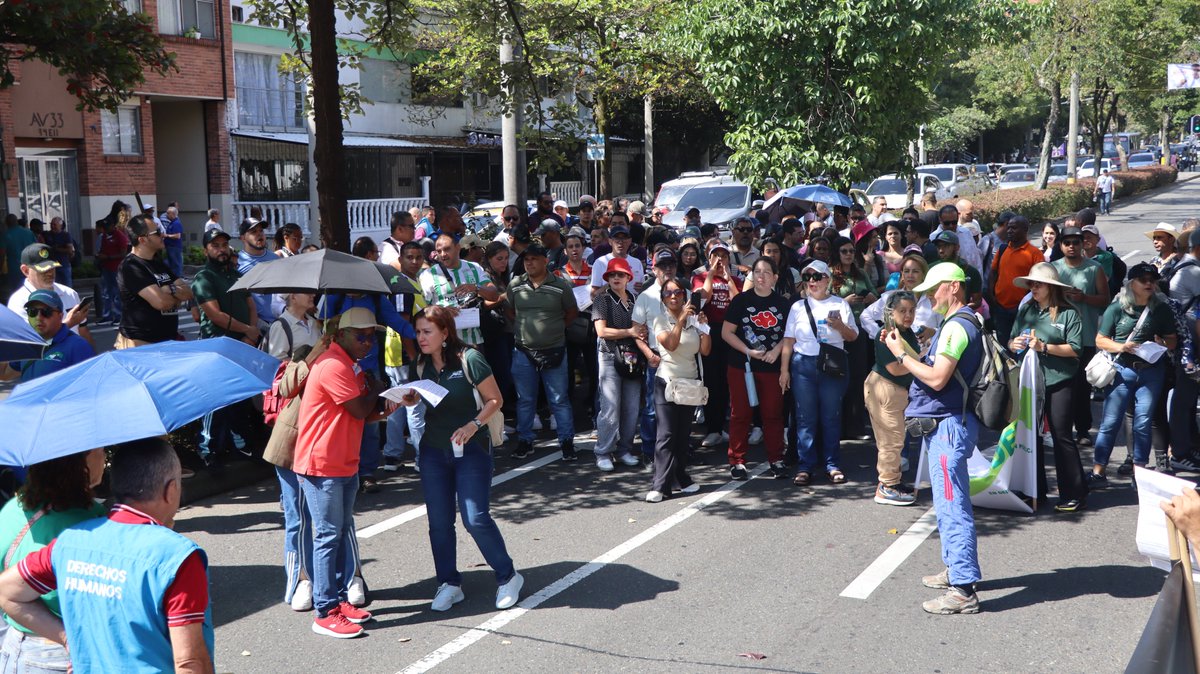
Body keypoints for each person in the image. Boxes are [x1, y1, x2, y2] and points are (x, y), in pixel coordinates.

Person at [0, 438, 214, 671]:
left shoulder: (59, 533)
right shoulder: (176, 557)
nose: (103, 457)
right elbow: (189, 661)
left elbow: (8, 590)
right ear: (171, 489)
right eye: (100, 450)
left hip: (18, 649)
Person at [400, 306, 524, 613]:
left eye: (427, 331)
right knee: (439, 523)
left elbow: (496, 399)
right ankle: (450, 583)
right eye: (418, 332)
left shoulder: (470, 358)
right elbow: (425, 396)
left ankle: (508, 576)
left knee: (475, 518)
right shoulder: (421, 363)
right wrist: (412, 397)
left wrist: (473, 425)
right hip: (433, 450)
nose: (421, 338)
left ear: (445, 333)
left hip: (472, 450)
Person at [884, 262, 984, 614]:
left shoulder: (957, 327)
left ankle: (962, 590)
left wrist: (900, 355)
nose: (928, 294)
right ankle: (956, 569)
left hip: (949, 424)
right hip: (954, 420)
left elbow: (938, 378)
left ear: (953, 287)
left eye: (934, 288)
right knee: (947, 502)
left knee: (952, 504)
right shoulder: (966, 320)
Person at [294, 308, 389, 638]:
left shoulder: (348, 364)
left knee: (338, 531)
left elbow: (360, 415)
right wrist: (377, 389)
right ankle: (325, 611)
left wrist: (390, 404)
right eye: (360, 336)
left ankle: (335, 599)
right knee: (327, 536)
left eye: (371, 337)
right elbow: (360, 407)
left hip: (342, 462)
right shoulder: (333, 364)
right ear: (340, 336)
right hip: (323, 465)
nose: (367, 343)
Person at [0, 448, 106, 671]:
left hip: (13, 648)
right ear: (80, 463)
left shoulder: (13, 509)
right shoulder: (94, 522)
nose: (104, 458)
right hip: (63, 653)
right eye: (101, 450)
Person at [1008, 263, 1088, 512]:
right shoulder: (1027, 309)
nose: (1033, 287)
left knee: (1061, 435)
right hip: (1031, 383)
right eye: (1031, 283)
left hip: (1059, 381)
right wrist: (1016, 343)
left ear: (1051, 287)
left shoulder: (1069, 314)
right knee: (1030, 436)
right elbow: (1010, 340)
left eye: (1038, 284)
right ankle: (1035, 491)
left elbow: (1075, 349)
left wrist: (1043, 347)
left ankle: (1074, 493)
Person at [1089, 263, 1177, 485]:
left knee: (1143, 421)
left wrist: (1161, 342)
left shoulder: (1162, 309)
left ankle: (1139, 471)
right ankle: (1098, 470)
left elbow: (1172, 341)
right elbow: (1100, 340)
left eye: (1152, 280)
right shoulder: (1117, 308)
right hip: (1122, 371)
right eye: (1144, 280)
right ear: (1131, 283)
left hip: (1151, 372)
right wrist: (1121, 347)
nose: (1149, 284)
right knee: (1110, 422)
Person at [780, 260, 857, 486]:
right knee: (805, 417)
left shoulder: (841, 304)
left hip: (832, 364)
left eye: (816, 277)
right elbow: (788, 340)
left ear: (827, 279)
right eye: (807, 277)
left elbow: (853, 336)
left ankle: (832, 464)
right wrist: (784, 370)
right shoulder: (797, 307)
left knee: (830, 416)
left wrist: (840, 327)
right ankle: (805, 465)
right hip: (803, 364)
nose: (812, 282)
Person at [505, 242, 579, 460]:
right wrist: (523, 327)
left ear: (544, 260)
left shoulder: (561, 285)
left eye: (534, 259)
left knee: (559, 399)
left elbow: (572, 312)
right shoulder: (516, 284)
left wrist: (554, 329)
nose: (529, 263)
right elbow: (509, 310)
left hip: (554, 349)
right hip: (523, 351)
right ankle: (525, 441)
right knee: (525, 399)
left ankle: (567, 442)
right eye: (526, 260)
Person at [722, 257, 790, 480]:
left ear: (775, 277)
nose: (761, 276)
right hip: (742, 367)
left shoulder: (783, 304)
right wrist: (748, 351)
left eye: (766, 272)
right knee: (740, 414)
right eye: (757, 272)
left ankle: (776, 459)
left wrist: (777, 351)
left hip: (772, 368)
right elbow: (727, 333)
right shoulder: (741, 300)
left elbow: (791, 336)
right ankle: (737, 461)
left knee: (773, 415)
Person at [647, 277, 710, 502]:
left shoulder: (693, 319)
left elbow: (705, 351)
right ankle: (659, 485)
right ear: (663, 299)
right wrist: (682, 320)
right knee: (666, 434)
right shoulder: (659, 319)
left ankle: (681, 477)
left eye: (678, 292)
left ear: (685, 295)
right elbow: (671, 345)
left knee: (683, 435)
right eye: (668, 293)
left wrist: (704, 328)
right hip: (667, 382)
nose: (674, 296)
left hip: (689, 384)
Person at [1051, 227, 1108, 449]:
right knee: (1060, 387)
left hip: (1085, 337)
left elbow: (1105, 299)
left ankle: (1083, 429)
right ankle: (1060, 430)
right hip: (1058, 338)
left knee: (1082, 388)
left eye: (1076, 242)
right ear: (1061, 245)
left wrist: (1084, 297)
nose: (1072, 246)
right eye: (1067, 242)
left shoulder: (1095, 269)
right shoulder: (1053, 269)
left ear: (1082, 244)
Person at [865, 291, 919, 506]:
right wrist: (920, 361)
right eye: (903, 311)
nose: (908, 315)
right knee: (890, 440)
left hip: (895, 390)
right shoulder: (888, 333)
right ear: (891, 312)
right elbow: (895, 369)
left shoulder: (907, 332)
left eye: (912, 310)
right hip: (885, 388)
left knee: (895, 439)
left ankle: (893, 482)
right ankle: (887, 486)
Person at [592, 258, 646, 471]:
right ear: (607, 277)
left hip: (632, 355)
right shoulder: (601, 300)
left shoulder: (635, 298)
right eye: (612, 275)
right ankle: (603, 451)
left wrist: (638, 334)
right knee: (610, 406)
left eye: (621, 274)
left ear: (628, 277)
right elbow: (601, 332)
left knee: (632, 408)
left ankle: (624, 449)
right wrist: (630, 332)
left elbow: (642, 328)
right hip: (608, 355)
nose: (616, 278)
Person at [383, 241, 429, 473]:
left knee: (398, 404)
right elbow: (403, 323)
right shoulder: (402, 286)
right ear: (400, 259)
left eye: (418, 257)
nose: (414, 261)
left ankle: (392, 455)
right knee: (414, 406)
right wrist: (414, 357)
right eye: (409, 257)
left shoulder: (410, 282)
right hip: (403, 354)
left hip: (396, 353)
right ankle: (423, 457)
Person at [631, 249, 680, 465]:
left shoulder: (682, 292)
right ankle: (649, 449)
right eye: (662, 266)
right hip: (657, 358)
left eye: (671, 265)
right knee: (652, 408)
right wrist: (649, 354)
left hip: (680, 358)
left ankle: (678, 447)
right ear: (654, 269)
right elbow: (637, 331)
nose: (667, 269)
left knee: (680, 405)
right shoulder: (646, 296)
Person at [117, 215, 193, 348]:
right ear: (142, 240)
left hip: (166, 341)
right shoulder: (131, 266)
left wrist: (170, 290)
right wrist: (176, 299)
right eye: (157, 232)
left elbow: (188, 292)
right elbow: (162, 302)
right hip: (141, 344)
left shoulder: (158, 264)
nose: (162, 234)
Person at [693, 241, 741, 447]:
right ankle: (713, 428)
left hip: (730, 332)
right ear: (708, 257)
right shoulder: (700, 277)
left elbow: (738, 302)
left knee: (730, 381)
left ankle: (728, 428)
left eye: (724, 255)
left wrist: (729, 278)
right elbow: (704, 297)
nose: (720, 259)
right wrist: (712, 274)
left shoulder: (736, 279)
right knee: (712, 381)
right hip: (710, 331)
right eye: (716, 255)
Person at [419, 234, 499, 347]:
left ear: (458, 248)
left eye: (447, 249)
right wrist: (441, 311)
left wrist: (476, 288)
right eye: (439, 251)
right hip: (444, 343)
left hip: (474, 341)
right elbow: (422, 310)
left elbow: (494, 295)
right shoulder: (428, 275)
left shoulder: (474, 268)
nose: (443, 255)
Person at [0, 290, 94, 383]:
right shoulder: (26, 345)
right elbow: (4, 372)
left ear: (60, 316)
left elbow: (90, 386)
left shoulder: (78, 346)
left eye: (46, 312)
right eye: (32, 311)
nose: (38, 317)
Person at [6, 244, 91, 343]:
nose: (50, 273)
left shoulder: (69, 293)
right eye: (43, 269)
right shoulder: (18, 301)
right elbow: (33, 341)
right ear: (26, 270)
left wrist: (94, 356)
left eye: (52, 267)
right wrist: (69, 323)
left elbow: (83, 331)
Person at [860, 252, 939, 343]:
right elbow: (865, 316)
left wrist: (933, 332)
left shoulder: (934, 299)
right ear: (902, 275)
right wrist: (880, 334)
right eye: (906, 271)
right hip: (896, 354)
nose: (910, 275)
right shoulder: (890, 297)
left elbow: (946, 328)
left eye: (915, 271)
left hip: (926, 354)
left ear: (924, 275)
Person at [987, 215, 1040, 344]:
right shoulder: (1002, 249)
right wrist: (991, 295)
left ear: (1025, 230)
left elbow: (1039, 282)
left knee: (1020, 344)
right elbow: (993, 273)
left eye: (1014, 228)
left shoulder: (1035, 253)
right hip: (1000, 307)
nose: (1009, 231)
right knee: (1003, 344)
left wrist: (1029, 303)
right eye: (1009, 228)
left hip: (1023, 309)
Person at [237, 219, 278, 328]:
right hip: (255, 324)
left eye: (261, 230)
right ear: (242, 238)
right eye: (253, 232)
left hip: (280, 321)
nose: (259, 234)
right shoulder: (237, 262)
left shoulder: (276, 258)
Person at [95, 204, 131, 325]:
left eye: (107, 226)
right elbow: (103, 249)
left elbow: (123, 253)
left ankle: (118, 316)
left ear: (112, 225)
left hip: (116, 267)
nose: (105, 229)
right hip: (106, 267)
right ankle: (107, 315)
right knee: (106, 293)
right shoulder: (105, 236)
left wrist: (108, 257)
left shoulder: (120, 236)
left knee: (116, 293)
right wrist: (101, 256)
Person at [45, 217, 76, 287]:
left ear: (60, 226)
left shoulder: (66, 235)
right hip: (52, 265)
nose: (52, 226)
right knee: (54, 286)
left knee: (67, 286)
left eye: (54, 225)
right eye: (51, 224)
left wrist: (57, 249)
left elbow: (69, 250)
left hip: (64, 265)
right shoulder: (48, 235)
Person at [161, 206, 185, 277]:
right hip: (171, 247)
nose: (166, 215)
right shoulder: (172, 223)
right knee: (172, 264)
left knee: (176, 264)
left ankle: (177, 280)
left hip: (174, 247)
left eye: (168, 213)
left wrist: (166, 235)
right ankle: (174, 279)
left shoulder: (176, 223)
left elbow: (177, 236)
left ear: (173, 214)